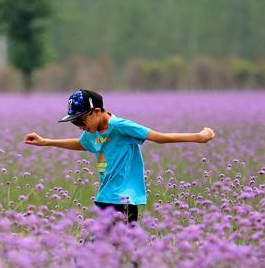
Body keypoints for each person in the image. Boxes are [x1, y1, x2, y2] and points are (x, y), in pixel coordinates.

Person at [23, 89, 215, 223]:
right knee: (110, 251)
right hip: (105, 197)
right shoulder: (92, 132)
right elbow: (81, 143)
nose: (80, 127)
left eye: (81, 121)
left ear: (97, 112)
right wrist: (46, 141)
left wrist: (199, 137)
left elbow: (160, 138)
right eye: (75, 124)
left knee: (116, 250)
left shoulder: (121, 127)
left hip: (123, 200)